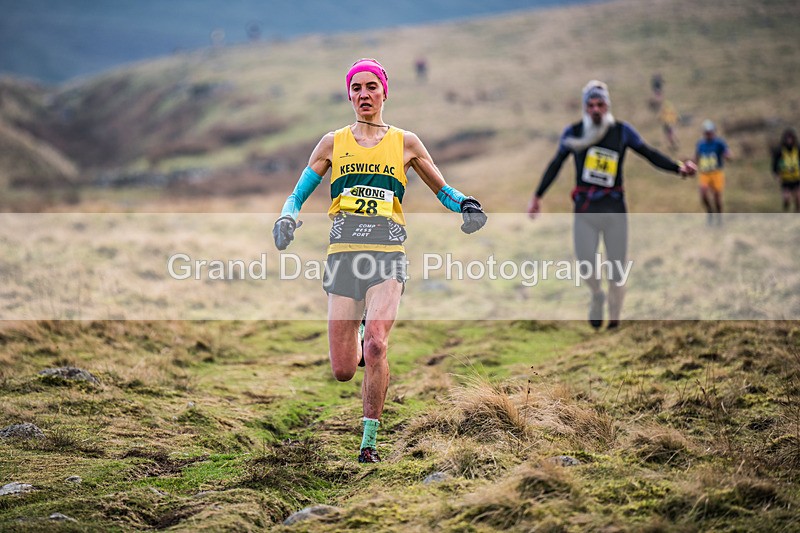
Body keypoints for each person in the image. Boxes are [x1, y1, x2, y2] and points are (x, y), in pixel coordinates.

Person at [272, 58, 487, 463]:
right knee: (342, 369)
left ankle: (368, 441)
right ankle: (356, 337)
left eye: (372, 87)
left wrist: (466, 205)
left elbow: (442, 189)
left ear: (384, 92)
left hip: (388, 255)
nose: (364, 95)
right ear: (348, 94)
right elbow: (297, 195)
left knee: (375, 345)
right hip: (343, 258)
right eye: (356, 88)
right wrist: (286, 217)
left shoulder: (406, 142)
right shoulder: (332, 143)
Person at [527, 80, 696, 330]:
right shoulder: (573, 133)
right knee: (586, 264)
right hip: (585, 210)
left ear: (608, 106)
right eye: (591, 105)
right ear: (585, 108)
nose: (596, 109)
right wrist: (537, 197)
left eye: (601, 104)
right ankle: (597, 295)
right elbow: (556, 164)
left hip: (615, 209)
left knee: (616, 268)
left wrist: (678, 168)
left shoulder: (621, 131)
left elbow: (649, 153)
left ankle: (614, 321)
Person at [694, 120, 732, 225]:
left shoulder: (719, 143)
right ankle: (710, 211)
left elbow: (727, 152)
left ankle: (719, 218)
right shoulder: (700, 144)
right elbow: (697, 157)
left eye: (710, 132)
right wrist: (693, 166)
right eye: (706, 132)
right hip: (704, 173)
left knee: (717, 197)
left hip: (716, 172)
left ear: (714, 132)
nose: (708, 134)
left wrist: (728, 155)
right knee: (703, 194)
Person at [771, 127, 800, 212]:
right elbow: (774, 164)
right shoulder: (780, 151)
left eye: (791, 138)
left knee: (798, 197)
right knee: (786, 198)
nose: (789, 141)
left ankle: (797, 212)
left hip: (797, 178)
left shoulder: (798, 149)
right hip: (786, 179)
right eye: (787, 139)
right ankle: (786, 211)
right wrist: (776, 174)